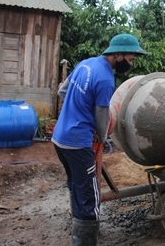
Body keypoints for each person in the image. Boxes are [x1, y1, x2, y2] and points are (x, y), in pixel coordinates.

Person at [52, 33, 146, 246]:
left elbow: (61, 91)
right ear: (118, 55)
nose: (130, 64)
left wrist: (77, 110)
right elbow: (102, 116)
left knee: (76, 186)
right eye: (130, 59)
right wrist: (103, 138)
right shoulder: (105, 78)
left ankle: (77, 229)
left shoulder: (85, 64)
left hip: (60, 140)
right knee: (90, 200)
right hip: (78, 143)